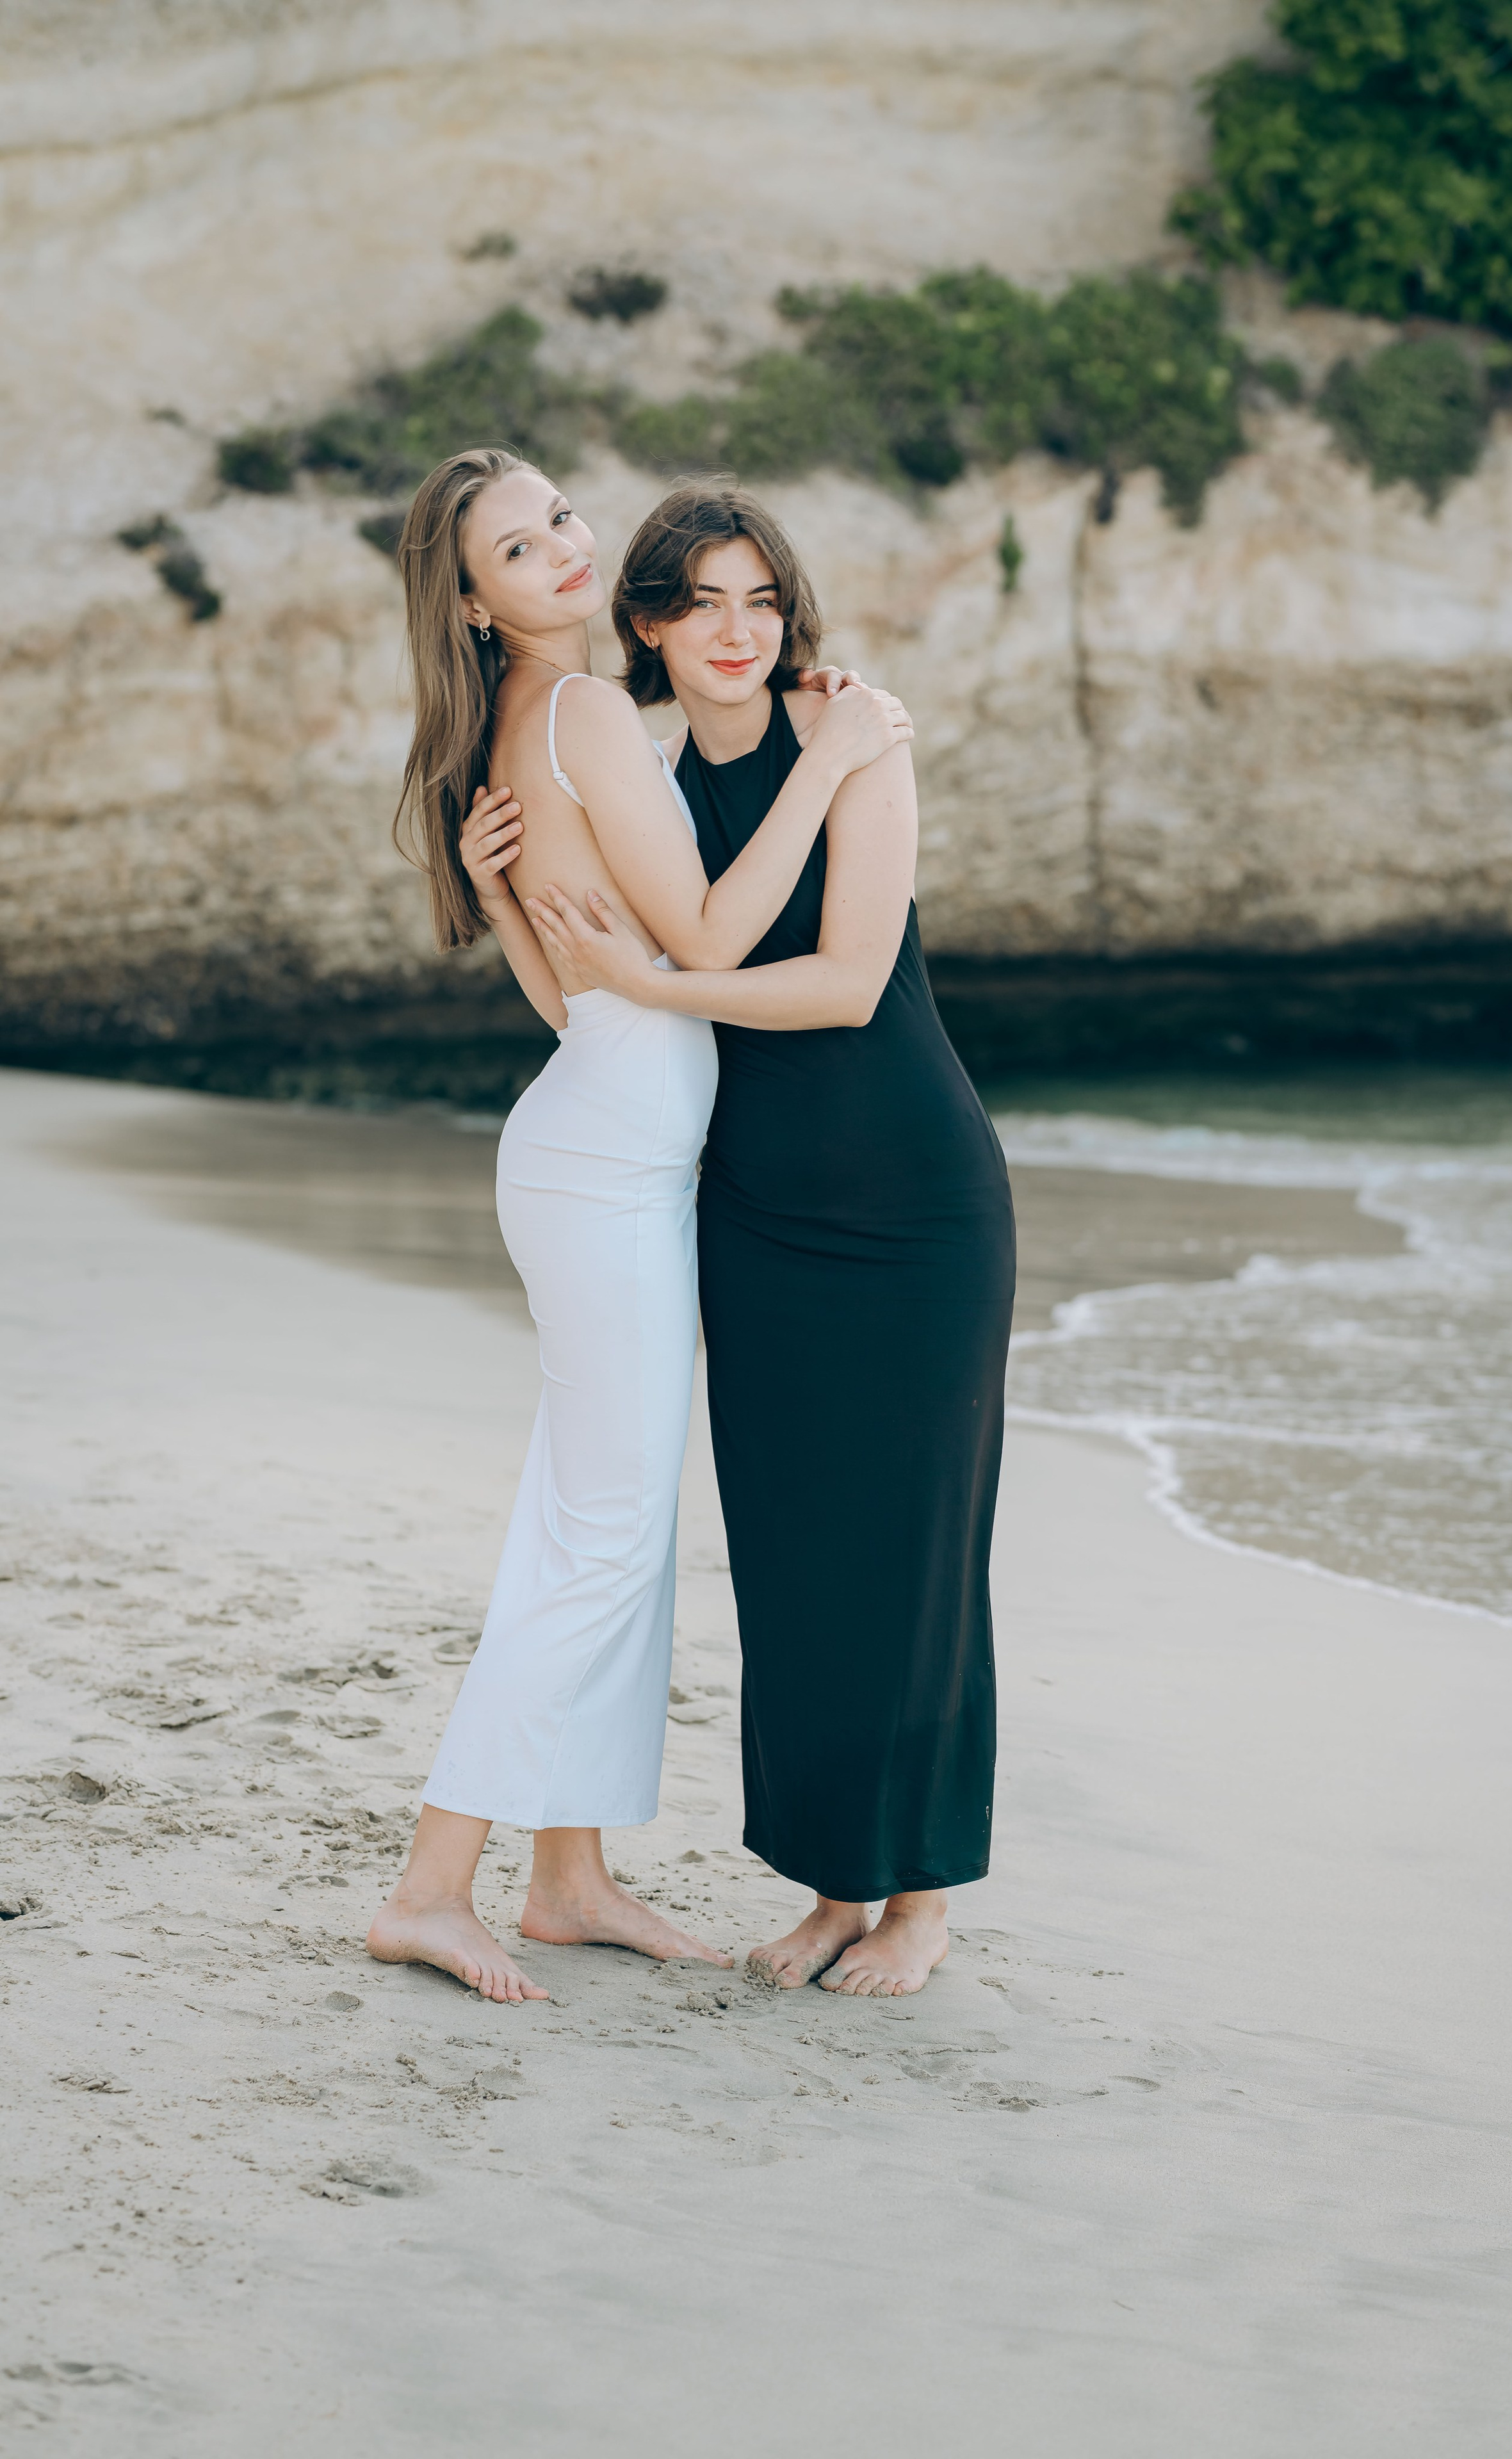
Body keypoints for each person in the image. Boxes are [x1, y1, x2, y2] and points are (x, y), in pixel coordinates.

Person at [365, 449, 911, 2004]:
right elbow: (707, 938)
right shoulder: (589, 713)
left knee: (596, 1518)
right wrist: (838, 756)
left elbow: (576, 994)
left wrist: (518, 923)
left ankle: (569, 1875)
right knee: (600, 1540)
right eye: (516, 548)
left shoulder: (530, 727)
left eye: (557, 520)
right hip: (603, 1171)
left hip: (596, 1142)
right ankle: (430, 1886)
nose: (559, 548)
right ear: (473, 601)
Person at [524, 483, 1016, 1999]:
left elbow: (848, 982)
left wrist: (659, 985)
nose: (735, 633)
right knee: (800, 1554)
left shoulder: (854, 745)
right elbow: (583, 989)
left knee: (920, 1552)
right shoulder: (651, 786)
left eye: (760, 602)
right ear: (649, 624)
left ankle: (920, 1899)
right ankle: (832, 1885)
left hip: (913, 1200)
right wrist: (506, 881)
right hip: (754, 1209)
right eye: (699, 603)